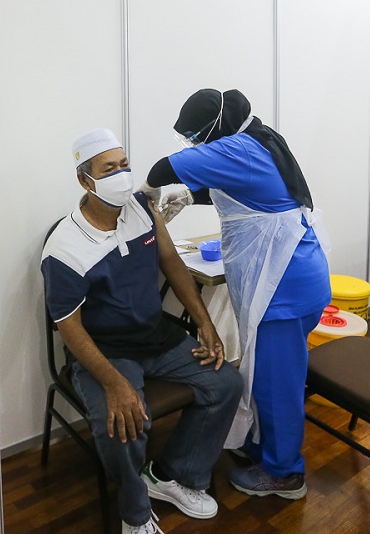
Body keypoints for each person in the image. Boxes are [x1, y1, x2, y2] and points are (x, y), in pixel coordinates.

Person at [42, 128, 244, 534]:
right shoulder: (63, 248)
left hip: (155, 336)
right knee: (122, 423)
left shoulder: (141, 208)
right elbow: (69, 327)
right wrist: (114, 384)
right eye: (109, 169)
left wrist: (205, 324)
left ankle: (171, 475)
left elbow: (170, 261)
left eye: (124, 165)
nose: (122, 174)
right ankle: (134, 514)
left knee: (226, 383)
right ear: (85, 180)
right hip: (105, 351)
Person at [141, 88, 331, 501]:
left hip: (284, 289)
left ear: (215, 127)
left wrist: (145, 196)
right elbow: (230, 189)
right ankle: (266, 449)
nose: (192, 144)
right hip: (296, 278)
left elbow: (165, 166)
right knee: (267, 373)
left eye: (194, 135)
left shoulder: (240, 148)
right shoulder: (258, 140)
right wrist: (188, 196)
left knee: (277, 384)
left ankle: (284, 474)